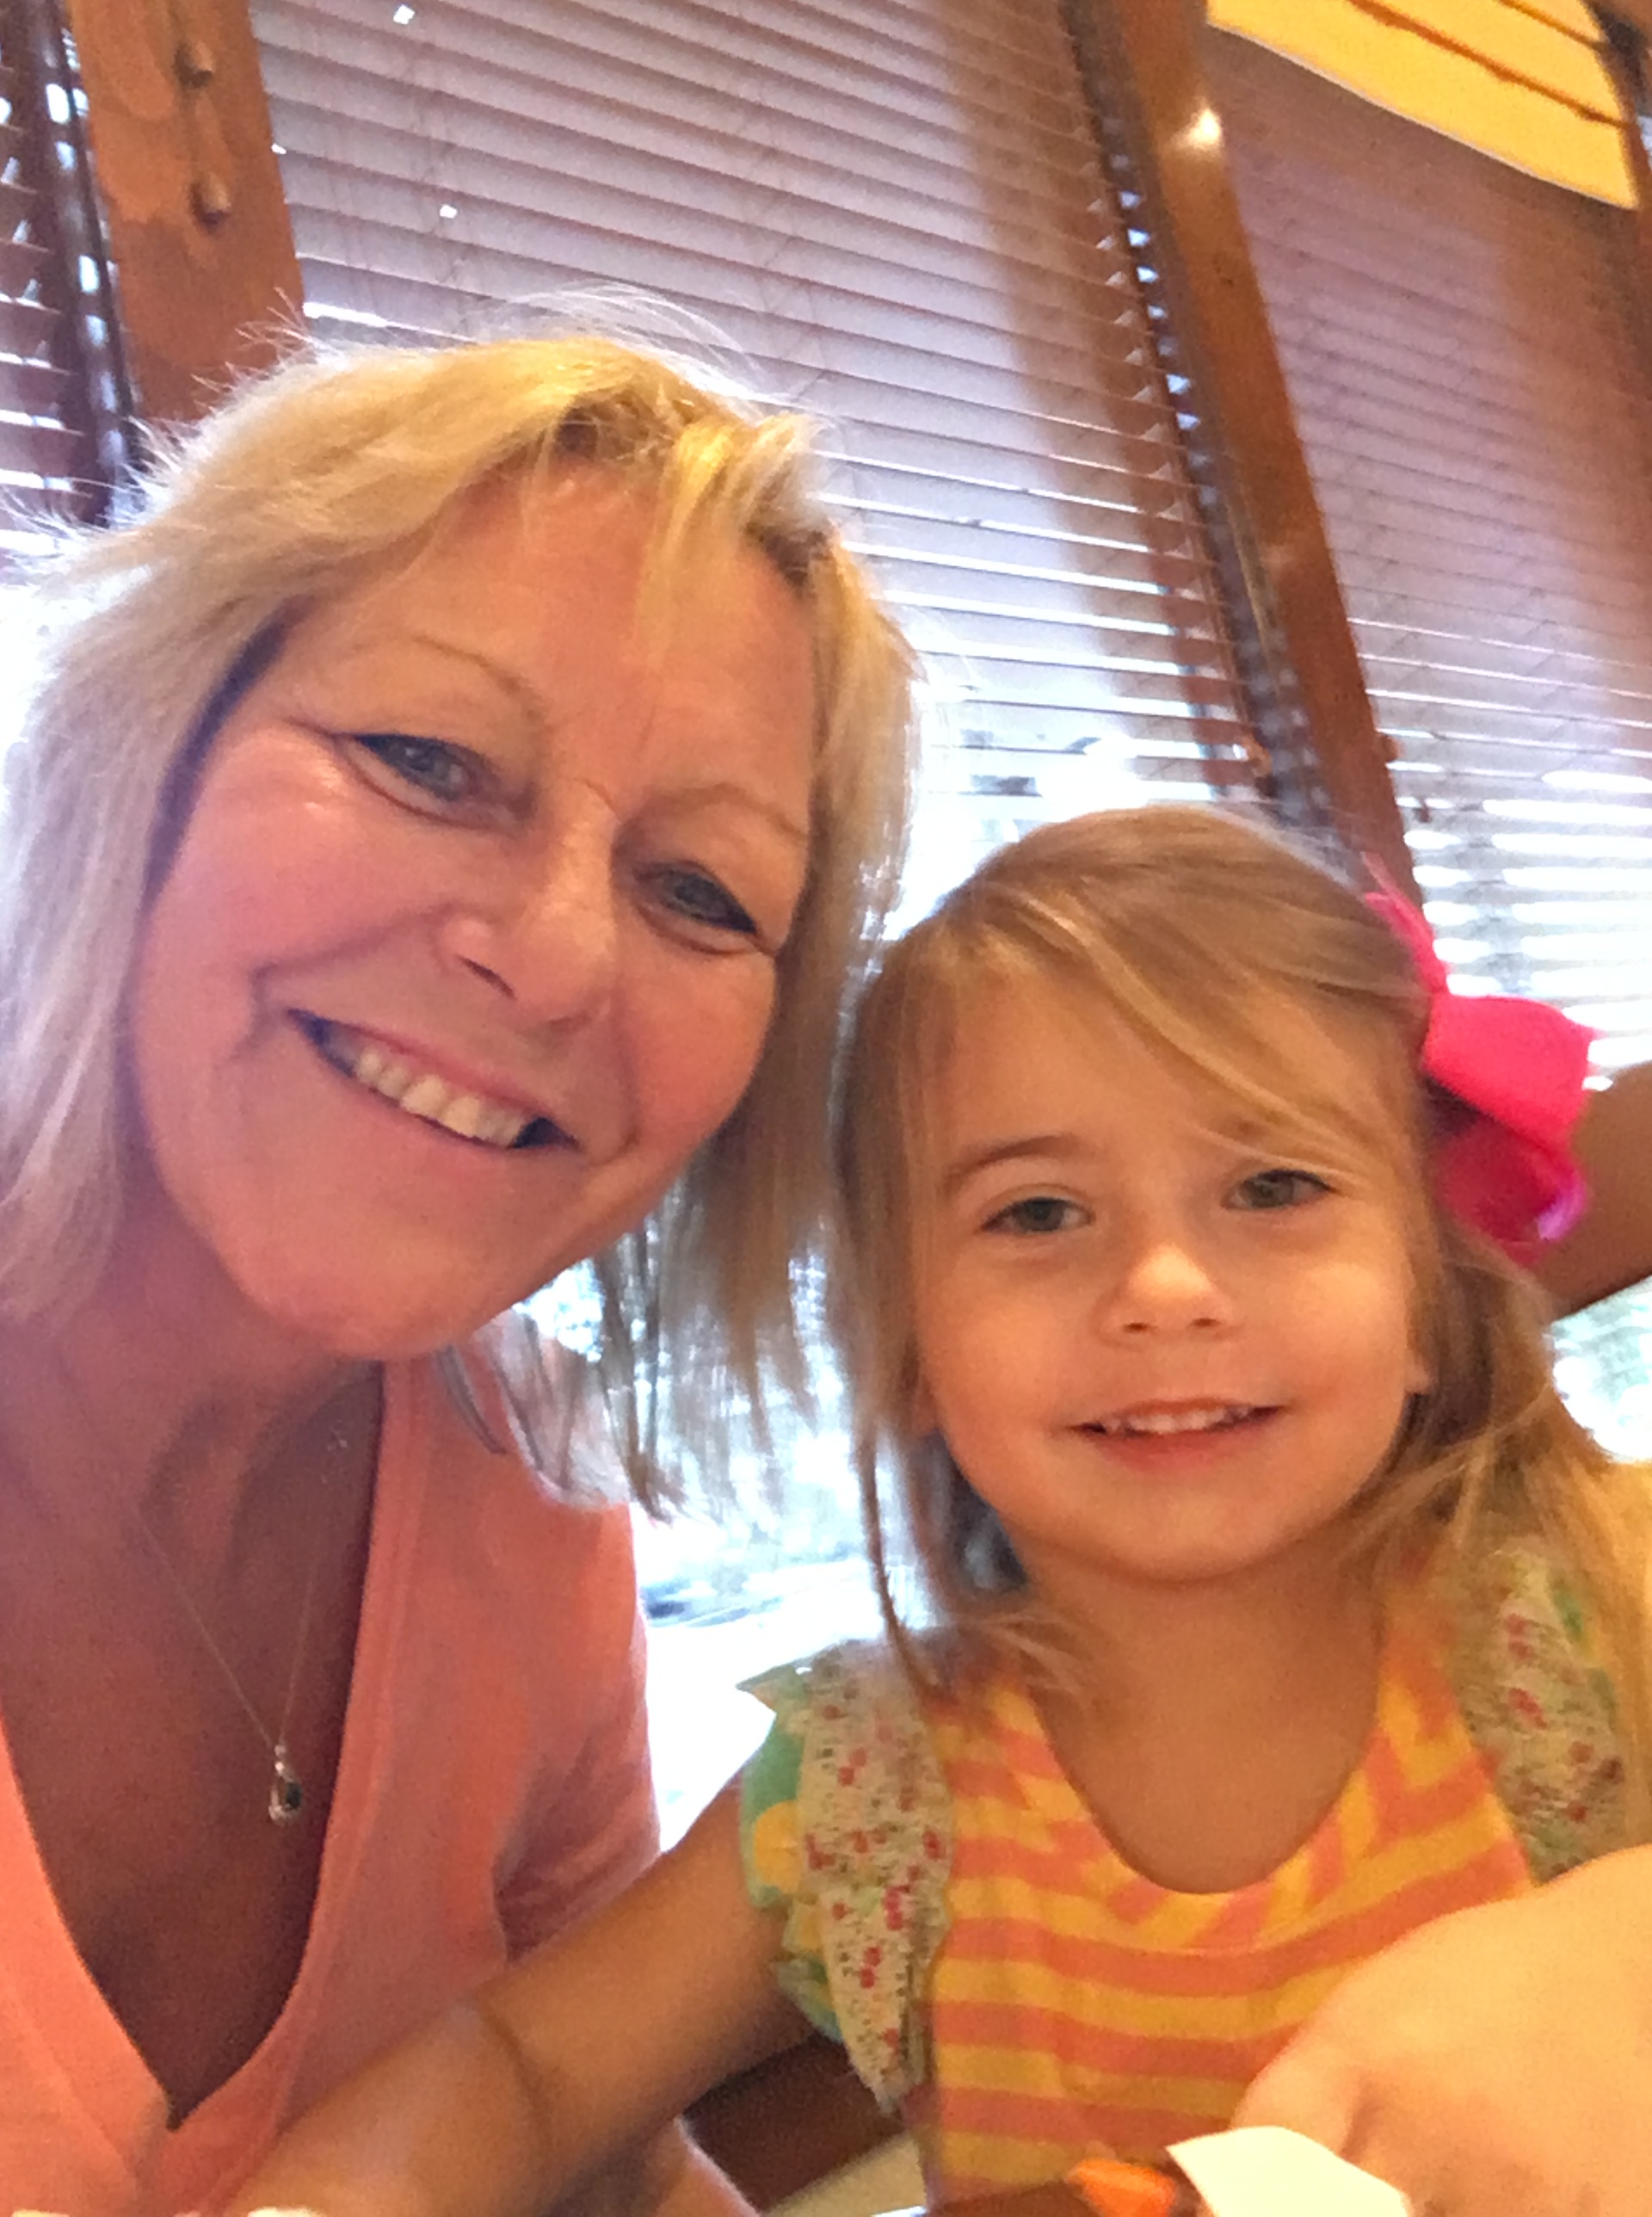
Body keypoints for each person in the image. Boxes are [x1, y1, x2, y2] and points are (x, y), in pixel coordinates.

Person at [229, 806, 1652, 2217]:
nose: (1164, 1287)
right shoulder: (875, 1796)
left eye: (1273, 1187)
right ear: (908, 1349)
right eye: (1038, 1213)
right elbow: (523, 2067)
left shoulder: (1599, 1607)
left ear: (1426, 1299)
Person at [0, 329, 914, 2216]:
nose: (561, 957)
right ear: (139, 752)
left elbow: (596, 2160)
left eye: (698, 891)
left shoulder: (526, 1491)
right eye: (428, 762)